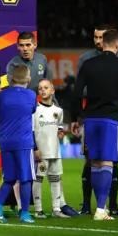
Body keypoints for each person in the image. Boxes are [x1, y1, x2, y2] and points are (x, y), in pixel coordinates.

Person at [6, 32, 77, 216]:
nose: (25, 49)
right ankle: (23, 207)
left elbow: (49, 86)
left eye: (28, 45)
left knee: (52, 162)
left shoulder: (42, 60)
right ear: (17, 46)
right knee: (21, 164)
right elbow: (13, 93)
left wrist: (56, 114)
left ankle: (61, 203)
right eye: (21, 45)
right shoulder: (13, 65)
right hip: (22, 119)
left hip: (42, 116)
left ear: (34, 45)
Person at [71, 29, 118, 221]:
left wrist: (76, 118)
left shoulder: (88, 64)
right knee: (107, 162)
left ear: (103, 43)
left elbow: (77, 92)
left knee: (94, 162)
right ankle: (101, 209)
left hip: (91, 120)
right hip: (111, 119)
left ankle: (98, 207)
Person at [0, 65, 36, 224]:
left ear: (10, 79)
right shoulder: (31, 95)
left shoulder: (2, 96)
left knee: (9, 178)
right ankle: (25, 213)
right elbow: (32, 111)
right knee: (26, 178)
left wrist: (3, 128)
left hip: (6, 141)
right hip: (24, 142)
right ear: (28, 79)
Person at [32, 79, 70, 218]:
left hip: (55, 151)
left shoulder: (58, 111)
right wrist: (35, 148)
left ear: (52, 90)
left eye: (46, 87)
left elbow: (59, 126)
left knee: (55, 179)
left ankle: (56, 209)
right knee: (38, 180)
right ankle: (38, 210)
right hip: (41, 153)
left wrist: (60, 132)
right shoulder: (35, 110)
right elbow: (31, 131)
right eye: (40, 88)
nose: (43, 90)